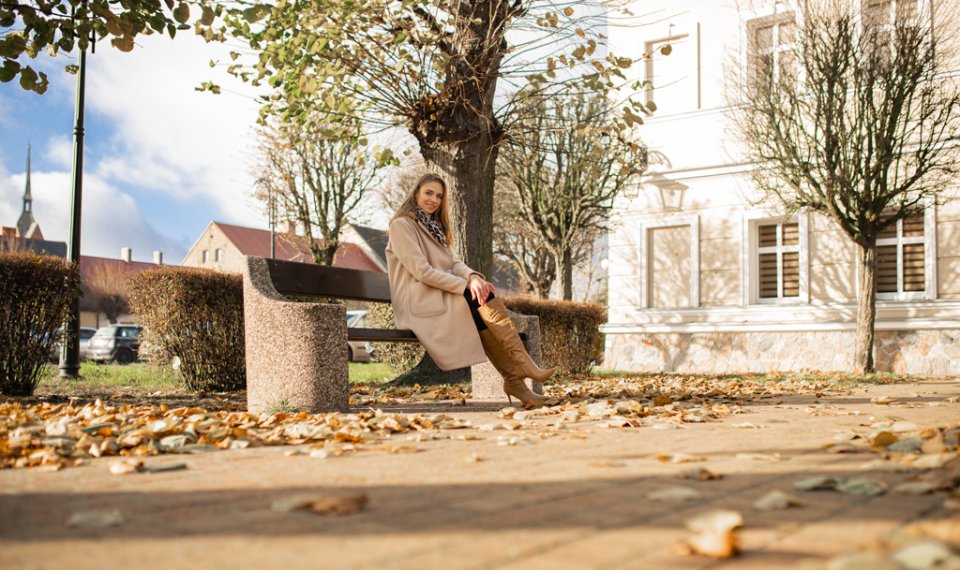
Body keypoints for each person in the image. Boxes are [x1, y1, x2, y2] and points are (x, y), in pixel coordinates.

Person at [385, 173, 556, 406]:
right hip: (418, 303)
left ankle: (517, 378)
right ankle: (519, 370)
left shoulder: (434, 227)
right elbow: (422, 271)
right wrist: (466, 284)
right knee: (475, 297)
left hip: (439, 296)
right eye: (428, 193)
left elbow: (454, 264)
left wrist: (474, 277)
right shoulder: (402, 225)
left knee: (481, 292)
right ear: (416, 193)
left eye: (439, 196)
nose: (434, 200)